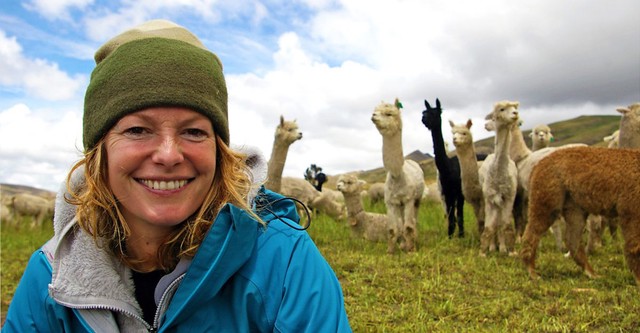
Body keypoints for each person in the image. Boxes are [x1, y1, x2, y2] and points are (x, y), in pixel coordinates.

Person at [3, 19, 351, 332]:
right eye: (138, 130)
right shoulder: (52, 277)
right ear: (100, 150)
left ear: (219, 149)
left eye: (194, 132)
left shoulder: (285, 264)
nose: (169, 155)